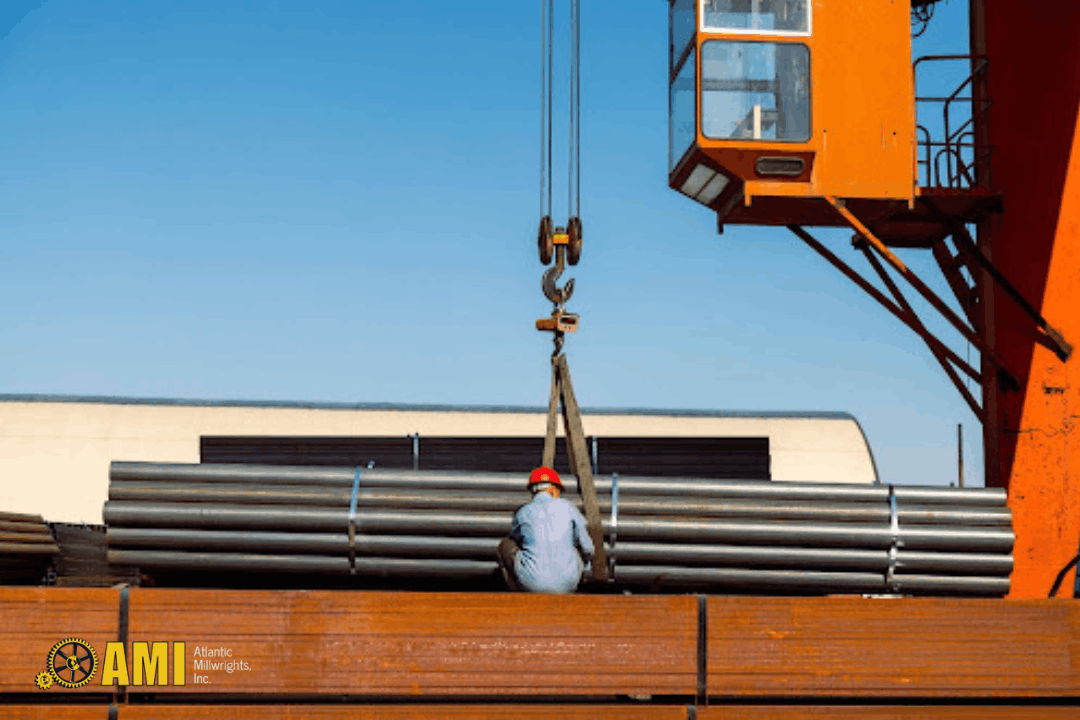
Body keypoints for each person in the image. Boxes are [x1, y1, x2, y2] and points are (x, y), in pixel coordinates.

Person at [496, 466, 595, 593]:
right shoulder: (568, 507)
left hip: (531, 585)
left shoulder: (523, 512)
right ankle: (570, 586)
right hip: (569, 584)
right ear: (553, 490)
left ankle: (518, 593)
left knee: (505, 545)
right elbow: (588, 548)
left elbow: (514, 539)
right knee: (577, 546)